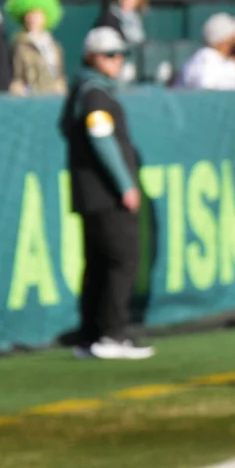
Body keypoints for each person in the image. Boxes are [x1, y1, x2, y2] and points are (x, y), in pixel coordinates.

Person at [62, 27, 152, 361]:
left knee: (98, 264)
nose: (117, 61)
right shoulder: (95, 94)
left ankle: (90, 336)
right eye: (110, 55)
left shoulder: (84, 91)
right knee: (122, 259)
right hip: (105, 194)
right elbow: (102, 140)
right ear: (92, 57)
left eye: (120, 54)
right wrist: (125, 184)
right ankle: (112, 333)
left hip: (90, 194)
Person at [5, 0, 67, 96]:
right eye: (29, 15)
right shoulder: (19, 44)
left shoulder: (53, 46)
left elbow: (58, 74)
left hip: (52, 97)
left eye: (37, 15)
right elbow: (17, 76)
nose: (33, 19)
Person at [177, 13, 235, 90]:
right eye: (234, 36)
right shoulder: (206, 58)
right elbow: (207, 89)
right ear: (225, 40)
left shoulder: (220, 61)